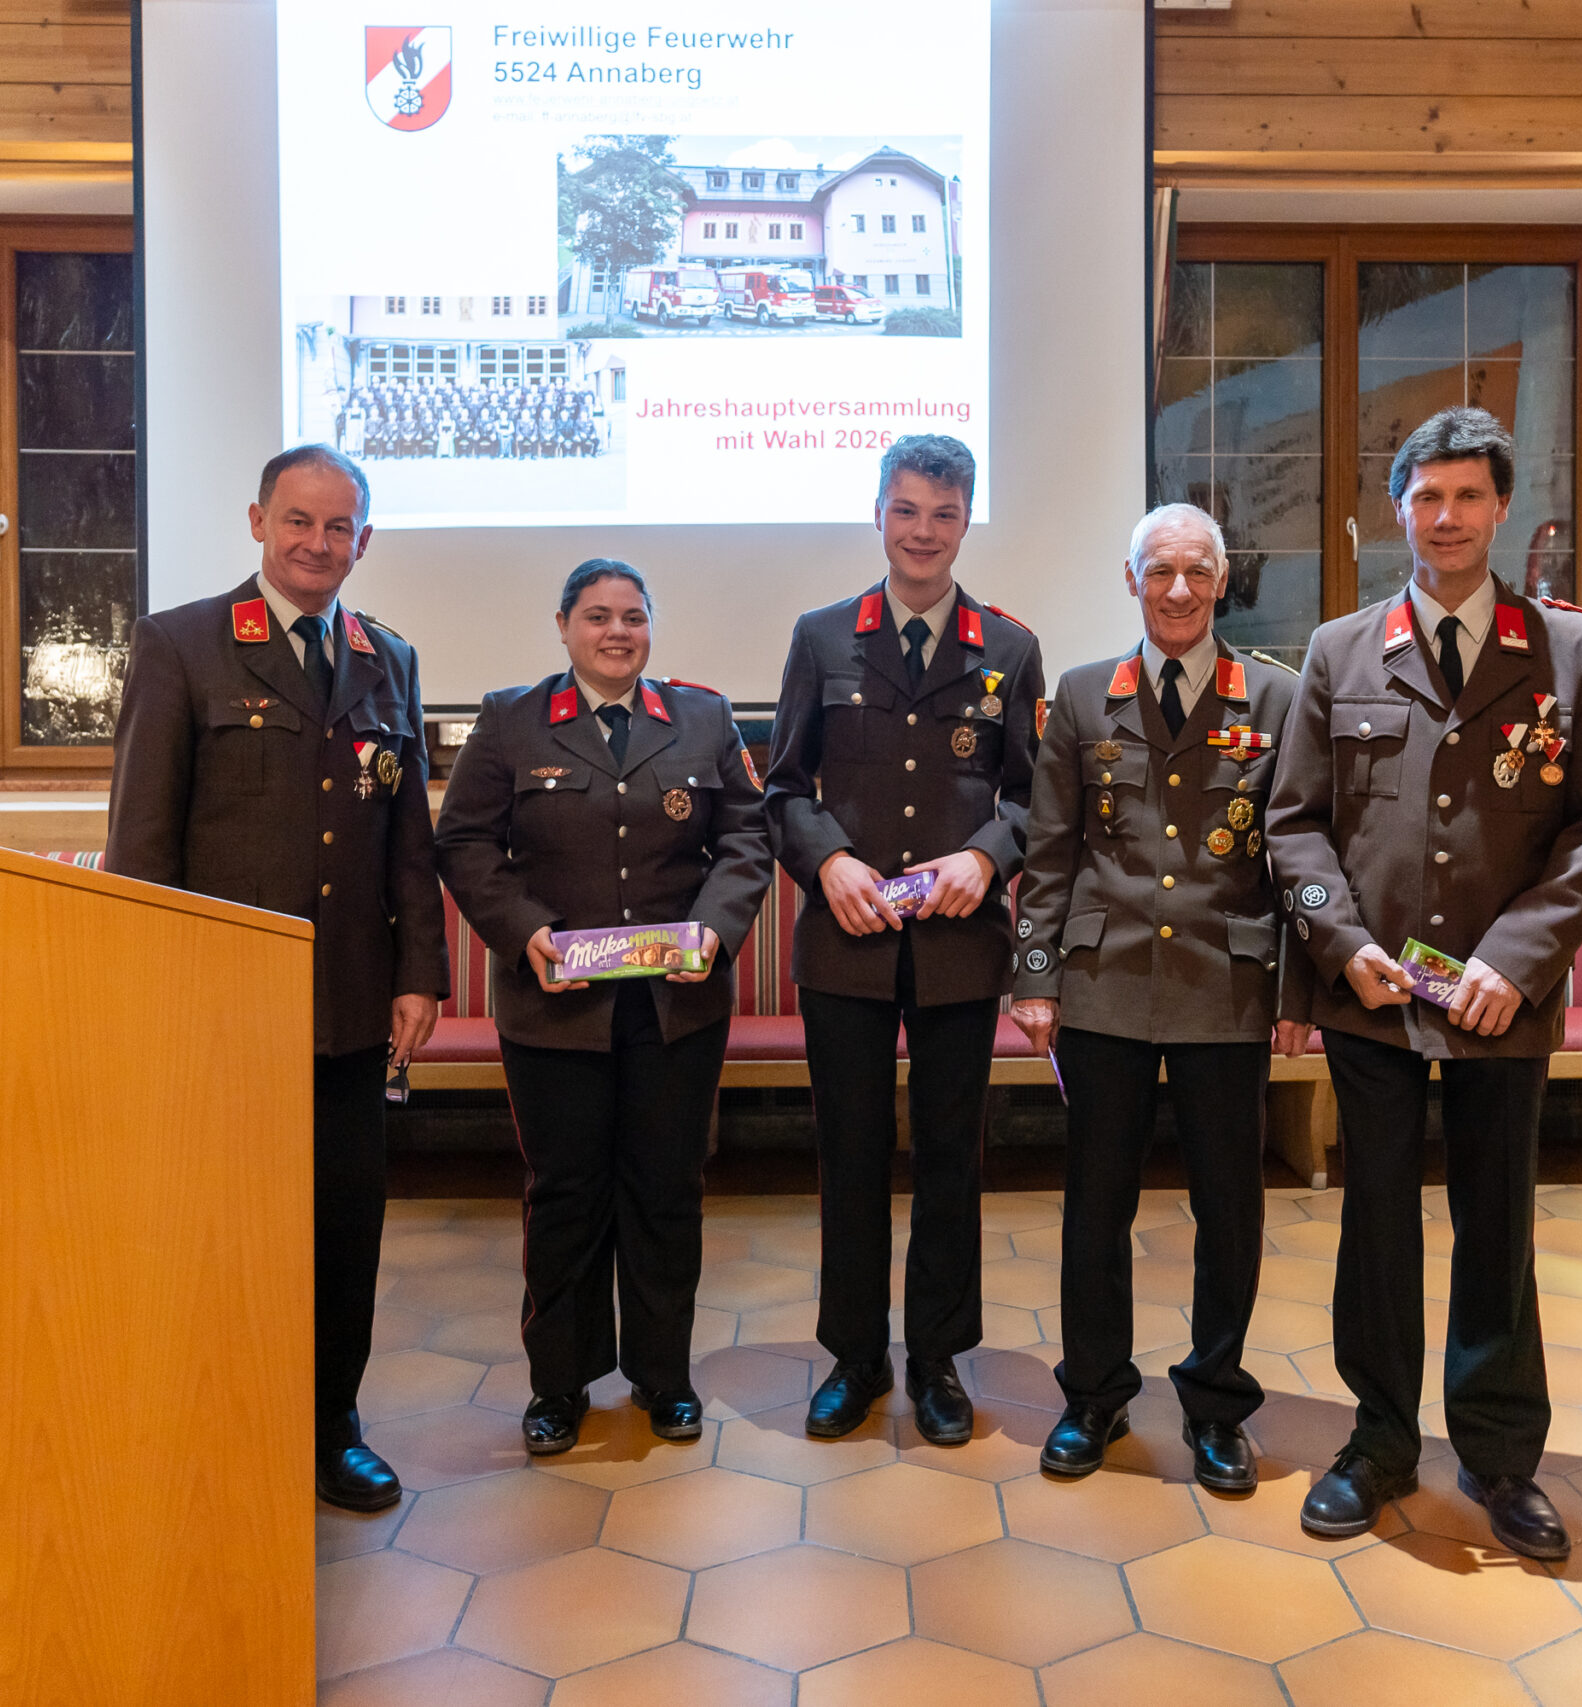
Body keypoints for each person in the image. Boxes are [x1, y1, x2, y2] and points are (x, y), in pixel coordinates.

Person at [1266, 407, 1582, 1550]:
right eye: (1426, 497)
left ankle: (1499, 1458)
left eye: (1468, 496)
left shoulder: (1574, 652)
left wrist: (1514, 963)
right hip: (1373, 996)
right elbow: (1294, 824)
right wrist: (1342, 946)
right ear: (1398, 510)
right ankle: (1377, 1442)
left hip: (1499, 1002)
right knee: (1375, 1225)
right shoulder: (1340, 650)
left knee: (1497, 1230)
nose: (1446, 517)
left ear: (1500, 507)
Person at [105, 443, 447, 1512]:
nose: (317, 544)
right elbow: (141, 841)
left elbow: (407, 840)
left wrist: (419, 973)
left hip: (348, 1004)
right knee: (220, 1229)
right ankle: (219, 1419)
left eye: (338, 527)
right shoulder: (181, 645)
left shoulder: (389, 658)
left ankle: (331, 1425)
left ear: (363, 540)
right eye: (298, 520)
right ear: (258, 521)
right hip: (220, 1006)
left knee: (345, 1229)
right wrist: (156, 989)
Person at [434, 560, 772, 1453]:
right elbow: (464, 842)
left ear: (650, 626)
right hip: (554, 1007)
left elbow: (746, 835)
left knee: (667, 1190)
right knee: (566, 1195)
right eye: (596, 616)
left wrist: (714, 929)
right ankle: (559, 1383)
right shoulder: (510, 719)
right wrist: (525, 933)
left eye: (632, 616)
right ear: (563, 626)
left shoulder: (702, 718)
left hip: (676, 1005)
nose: (616, 632)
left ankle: (665, 1375)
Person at [1010, 503, 1306, 1491]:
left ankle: (1216, 1403)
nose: (1178, 589)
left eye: (1197, 571)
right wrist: (1036, 976)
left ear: (1222, 580)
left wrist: (1298, 988)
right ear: (1129, 578)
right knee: (1096, 1203)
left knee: (1230, 1207)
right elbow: (1051, 851)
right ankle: (1093, 1393)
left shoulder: (1275, 697)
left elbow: (1299, 852)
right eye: (1159, 571)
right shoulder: (1082, 694)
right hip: (1103, 986)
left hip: (1228, 985)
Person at [764, 435, 1045, 1445]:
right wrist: (828, 862)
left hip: (959, 946)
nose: (923, 532)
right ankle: (853, 1357)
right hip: (846, 941)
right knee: (848, 1155)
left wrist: (987, 856)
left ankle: (937, 1359)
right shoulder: (822, 636)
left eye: (943, 514)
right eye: (907, 510)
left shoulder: (1007, 645)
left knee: (949, 1159)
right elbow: (783, 787)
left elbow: (1032, 796)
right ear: (879, 513)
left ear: (965, 521)